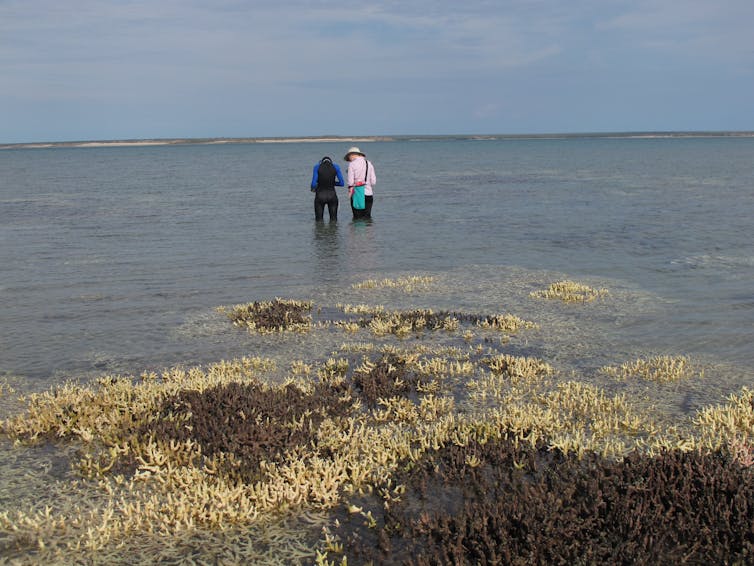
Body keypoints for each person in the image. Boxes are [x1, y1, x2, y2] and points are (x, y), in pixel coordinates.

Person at [344, 146, 376, 219]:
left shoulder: (352, 164)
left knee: (357, 218)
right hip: (368, 194)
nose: (349, 160)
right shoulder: (369, 163)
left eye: (348, 158)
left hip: (357, 194)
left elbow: (350, 182)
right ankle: (369, 230)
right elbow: (373, 182)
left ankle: (358, 230)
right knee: (367, 218)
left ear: (352, 155)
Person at [310, 156, 344, 221]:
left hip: (320, 196)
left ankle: (320, 230)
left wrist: (320, 183)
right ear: (331, 161)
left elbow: (313, 184)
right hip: (332, 196)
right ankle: (333, 230)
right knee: (333, 219)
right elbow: (342, 183)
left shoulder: (317, 167)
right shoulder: (336, 167)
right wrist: (332, 182)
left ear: (321, 162)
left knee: (319, 220)